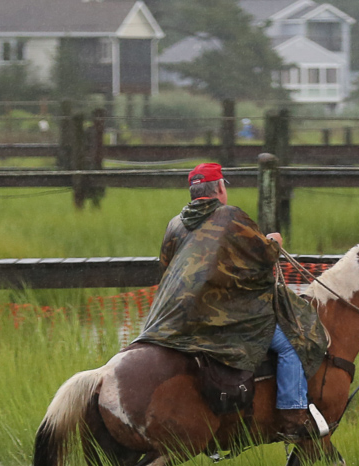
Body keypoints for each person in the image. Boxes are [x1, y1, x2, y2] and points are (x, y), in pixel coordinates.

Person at [136, 162, 329, 441]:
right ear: (220, 188)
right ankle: (293, 417)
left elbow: (166, 271)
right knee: (291, 343)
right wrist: (274, 239)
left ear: (193, 193)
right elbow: (265, 254)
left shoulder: (173, 225)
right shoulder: (230, 217)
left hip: (176, 321)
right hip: (225, 318)